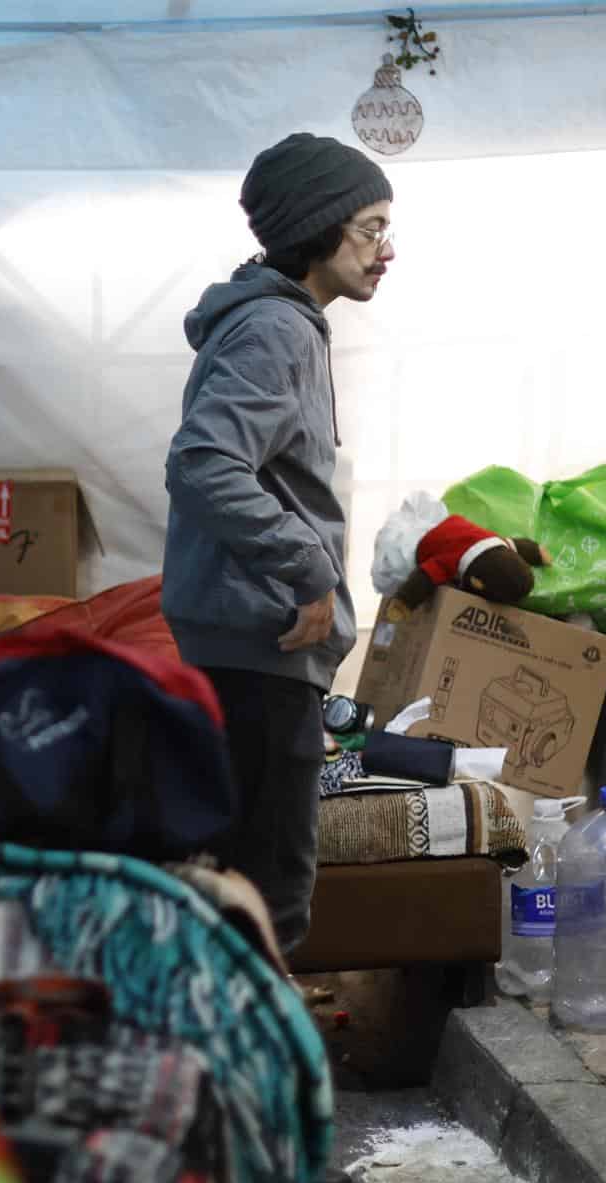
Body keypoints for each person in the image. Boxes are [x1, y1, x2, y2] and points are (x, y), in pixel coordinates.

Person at [163, 131, 395, 957]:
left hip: (250, 647)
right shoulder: (276, 330)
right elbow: (203, 462)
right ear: (316, 227)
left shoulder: (277, 323)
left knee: (235, 894)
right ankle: (257, 1044)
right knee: (268, 903)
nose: (387, 250)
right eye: (370, 228)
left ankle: (223, 1036)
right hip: (261, 651)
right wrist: (308, 570)